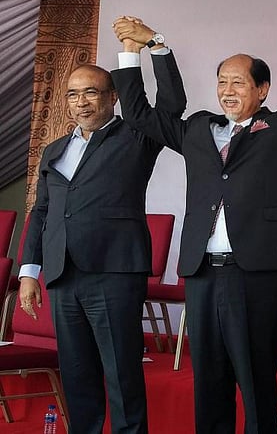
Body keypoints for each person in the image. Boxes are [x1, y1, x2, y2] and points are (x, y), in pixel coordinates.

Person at [109, 17, 277, 434]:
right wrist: (141, 49)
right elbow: (140, 114)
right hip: (202, 275)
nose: (228, 91)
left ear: (262, 90)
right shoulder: (197, 128)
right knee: (209, 381)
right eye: (222, 83)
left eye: (238, 83)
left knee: (254, 381)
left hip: (256, 275)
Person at [18, 62, 186, 434]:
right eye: (73, 94)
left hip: (114, 274)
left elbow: (172, 104)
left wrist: (154, 49)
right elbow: (42, 211)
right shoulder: (54, 151)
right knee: (77, 375)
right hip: (63, 275)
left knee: (122, 375)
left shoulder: (137, 135)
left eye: (91, 92)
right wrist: (29, 271)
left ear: (113, 98)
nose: (81, 102)